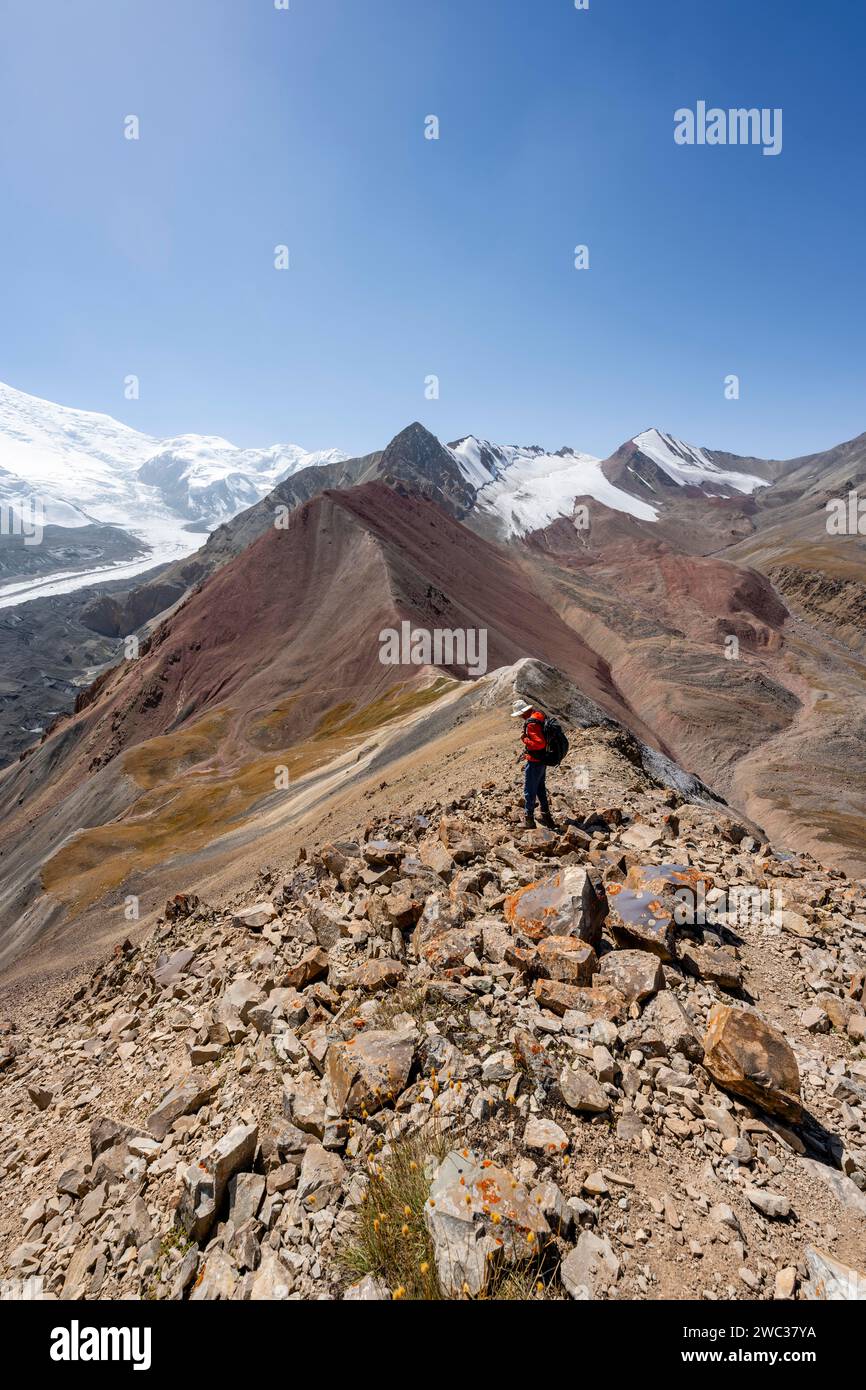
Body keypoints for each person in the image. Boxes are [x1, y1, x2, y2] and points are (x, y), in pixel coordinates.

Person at [512, 699, 556, 830]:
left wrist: (524, 739)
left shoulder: (530, 723)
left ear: (522, 713)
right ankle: (546, 817)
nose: (519, 717)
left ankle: (529, 820)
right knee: (540, 788)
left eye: (519, 714)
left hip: (535, 761)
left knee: (529, 790)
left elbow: (539, 743)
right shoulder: (539, 715)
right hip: (543, 759)